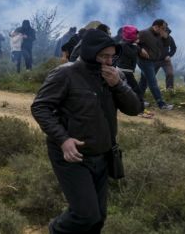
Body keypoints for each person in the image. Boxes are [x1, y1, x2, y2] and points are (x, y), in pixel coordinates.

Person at [31, 29, 142, 234]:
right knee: (85, 215)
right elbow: (40, 107)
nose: (109, 61)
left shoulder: (112, 76)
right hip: (71, 155)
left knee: (98, 219)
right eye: (104, 56)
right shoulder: (65, 73)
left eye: (112, 56)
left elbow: (135, 109)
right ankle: (55, 230)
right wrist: (63, 140)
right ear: (91, 53)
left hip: (102, 154)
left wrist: (118, 85)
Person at [116, 25, 153, 118]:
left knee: (124, 91)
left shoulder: (128, 44)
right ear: (131, 36)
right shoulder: (124, 45)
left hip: (125, 72)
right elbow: (132, 54)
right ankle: (140, 110)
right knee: (137, 91)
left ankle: (135, 109)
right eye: (136, 35)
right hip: (124, 72)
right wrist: (138, 47)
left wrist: (137, 47)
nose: (138, 37)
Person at [137, 19, 174, 110]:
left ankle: (137, 100)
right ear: (156, 26)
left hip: (153, 61)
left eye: (165, 28)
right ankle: (161, 104)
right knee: (153, 82)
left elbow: (167, 45)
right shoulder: (144, 33)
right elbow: (134, 43)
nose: (164, 29)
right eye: (163, 28)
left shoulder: (159, 34)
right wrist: (140, 49)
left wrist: (166, 37)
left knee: (143, 82)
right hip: (144, 61)